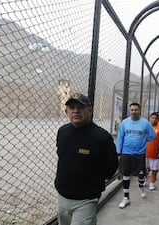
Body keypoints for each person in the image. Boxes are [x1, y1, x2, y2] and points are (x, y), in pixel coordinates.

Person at [55, 93, 119, 225]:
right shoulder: (62, 132)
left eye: (81, 107)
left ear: (90, 110)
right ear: (66, 111)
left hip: (86, 199)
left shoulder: (102, 137)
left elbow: (111, 168)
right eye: (72, 107)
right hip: (62, 196)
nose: (76, 111)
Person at [116, 103, 155, 209]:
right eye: (132, 110)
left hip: (139, 154)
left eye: (136, 110)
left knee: (141, 175)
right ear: (130, 111)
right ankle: (126, 198)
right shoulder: (124, 123)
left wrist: (143, 141)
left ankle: (141, 186)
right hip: (126, 153)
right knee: (126, 175)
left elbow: (152, 136)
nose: (134, 111)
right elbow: (120, 138)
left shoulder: (145, 123)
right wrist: (119, 152)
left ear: (139, 110)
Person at [145, 112, 159, 190]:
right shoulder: (146, 126)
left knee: (154, 169)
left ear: (158, 120)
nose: (154, 120)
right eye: (152, 118)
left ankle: (152, 182)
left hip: (155, 153)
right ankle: (145, 179)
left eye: (156, 118)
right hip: (145, 152)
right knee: (146, 168)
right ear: (150, 118)